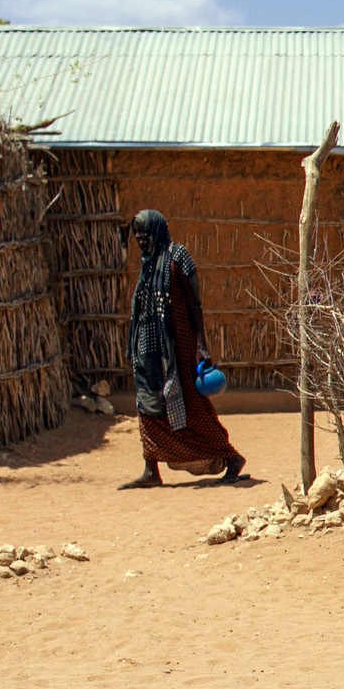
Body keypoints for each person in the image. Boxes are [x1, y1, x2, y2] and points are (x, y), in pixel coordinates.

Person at [119, 209, 247, 488]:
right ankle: (151, 470)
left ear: (158, 229)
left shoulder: (178, 257)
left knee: (189, 403)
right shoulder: (148, 263)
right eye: (136, 232)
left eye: (144, 231)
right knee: (147, 404)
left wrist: (201, 345)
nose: (140, 237)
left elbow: (194, 306)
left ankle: (231, 457)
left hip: (177, 347)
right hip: (148, 350)